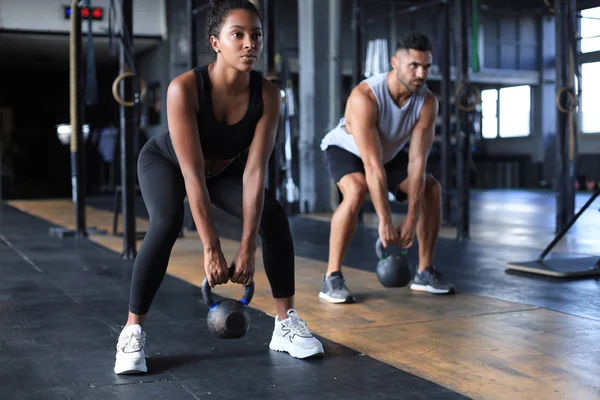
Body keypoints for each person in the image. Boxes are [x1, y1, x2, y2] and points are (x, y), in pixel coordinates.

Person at [114, 0, 324, 375]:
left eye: (255, 35)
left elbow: (255, 171)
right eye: (237, 35)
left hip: (225, 169)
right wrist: (211, 248)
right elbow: (192, 176)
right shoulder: (185, 89)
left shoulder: (268, 95)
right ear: (215, 42)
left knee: (273, 217)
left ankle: (284, 324)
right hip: (167, 162)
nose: (249, 44)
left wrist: (247, 248)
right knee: (166, 221)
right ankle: (132, 330)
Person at [318, 32, 455, 304]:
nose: (421, 73)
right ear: (395, 62)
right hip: (347, 149)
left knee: (431, 187)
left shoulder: (427, 102)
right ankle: (331, 277)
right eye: (413, 66)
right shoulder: (364, 97)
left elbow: (417, 162)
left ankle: (424, 272)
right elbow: (371, 166)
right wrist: (385, 220)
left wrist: (412, 216)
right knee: (357, 189)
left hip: (387, 155)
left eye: (426, 67)